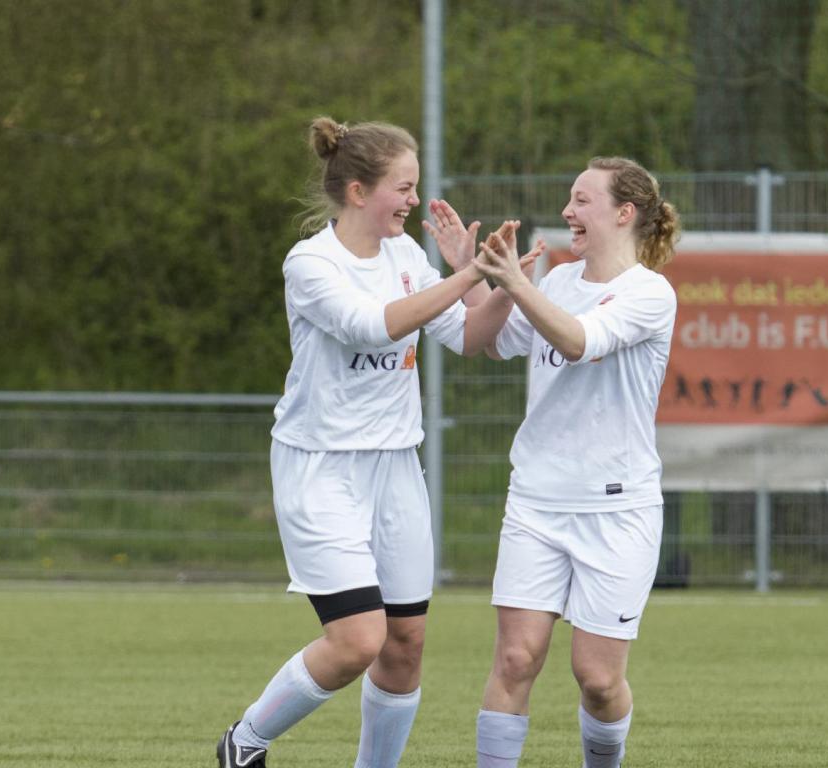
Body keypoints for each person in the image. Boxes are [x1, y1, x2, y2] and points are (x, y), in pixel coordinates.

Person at [216, 116, 536, 768]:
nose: (415, 200)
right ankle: (244, 743)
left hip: (395, 468)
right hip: (322, 470)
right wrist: (468, 274)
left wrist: (502, 282)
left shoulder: (405, 258)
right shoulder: (311, 263)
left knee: (404, 642)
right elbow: (372, 328)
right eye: (404, 186)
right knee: (358, 640)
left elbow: (470, 337)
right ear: (359, 191)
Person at [470, 157, 680, 768]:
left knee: (597, 678)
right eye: (569, 199)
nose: (568, 212)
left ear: (625, 212)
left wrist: (518, 284)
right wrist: (470, 268)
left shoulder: (649, 292)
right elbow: (491, 341)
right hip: (536, 500)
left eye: (582, 200)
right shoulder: (556, 282)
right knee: (515, 659)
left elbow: (578, 341)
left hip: (617, 510)